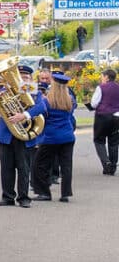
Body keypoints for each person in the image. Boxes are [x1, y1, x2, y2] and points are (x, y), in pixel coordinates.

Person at [0, 64, 46, 208]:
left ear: (30, 79)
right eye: (20, 77)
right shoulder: (5, 90)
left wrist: (24, 115)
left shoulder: (33, 91)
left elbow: (42, 107)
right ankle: (7, 197)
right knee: (6, 168)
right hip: (6, 135)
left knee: (24, 168)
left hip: (24, 134)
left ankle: (23, 197)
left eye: (25, 77)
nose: (21, 80)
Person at [34, 71, 78, 203]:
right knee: (66, 166)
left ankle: (44, 193)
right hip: (67, 136)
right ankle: (65, 194)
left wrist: (23, 115)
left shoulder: (47, 101)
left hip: (51, 137)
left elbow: (37, 111)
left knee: (40, 164)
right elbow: (70, 114)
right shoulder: (70, 100)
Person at [91, 68, 119, 175]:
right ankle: (113, 167)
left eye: (102, 76)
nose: (101, 79)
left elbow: (94, 103)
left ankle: (106, 162)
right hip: (116, 116)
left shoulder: (101, 88)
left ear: (107, 77)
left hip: (102, 116)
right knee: (114, 142)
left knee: (99, 140)